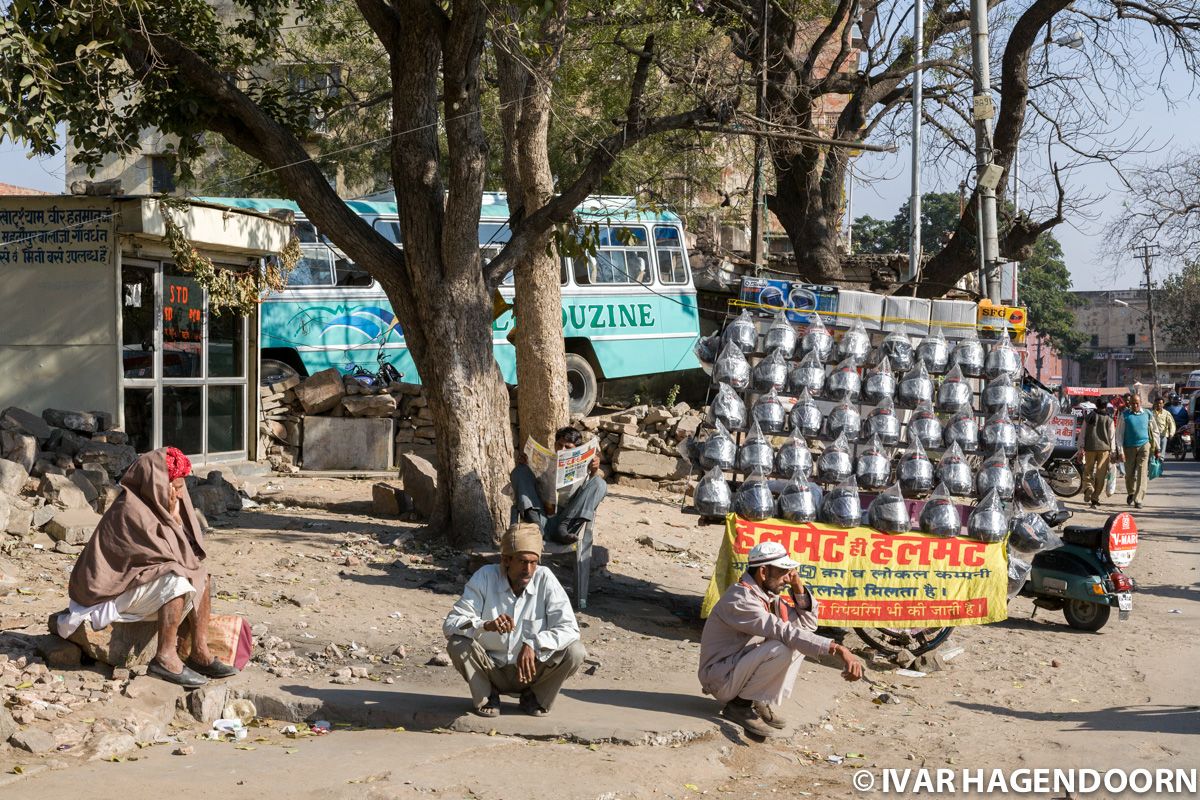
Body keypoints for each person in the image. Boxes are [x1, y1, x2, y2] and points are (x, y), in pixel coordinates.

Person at [57, 447, 237, 688]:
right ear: (155, 484)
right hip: (106, 596)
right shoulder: (129, 511)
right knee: (176, 579)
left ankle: (199, 652)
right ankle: (165, 658)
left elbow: (191, 560)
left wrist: (175, 519)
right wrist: (173, 522)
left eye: (180, 486)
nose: (178, 492)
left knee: (201, 578)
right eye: (173, 485)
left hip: (136, 585)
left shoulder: (161, 508)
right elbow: (172, 561)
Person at [698, 542, 863, 739]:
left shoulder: (767, 596)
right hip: (719, 678)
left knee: (800, 642)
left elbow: (807, 625)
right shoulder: (742, 599)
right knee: (781, 647)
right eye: (784, 572)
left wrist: (797, 585)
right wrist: (838, 649)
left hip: (734, 669)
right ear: (763, 572)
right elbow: (785, 632)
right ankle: (740, 706)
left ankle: (755, 697)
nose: (787, 578)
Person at [443, 522, 586, 717]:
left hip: (531, 670)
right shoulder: (485, 577)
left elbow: (569, 629)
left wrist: (534, 644)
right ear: (506, 560)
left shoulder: (545, 579)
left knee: (575, 651)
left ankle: (535, 697)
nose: (528, 569)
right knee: (457, 643)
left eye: (534, 562)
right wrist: (485, 625)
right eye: (522, 561)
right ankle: (488, 695)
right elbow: (451, 624)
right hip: (491, 668)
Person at [511, 426, 606, 544]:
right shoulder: (548, 461)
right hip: (541, 518)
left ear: (577, 449)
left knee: (599, 483)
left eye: (568, 447)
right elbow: (530, 487)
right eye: (559, 445)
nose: (562, 449)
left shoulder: (587, 465)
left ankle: (562, 529)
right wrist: (525, 465)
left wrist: (594, 471)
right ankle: (536, 527)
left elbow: (594, 486)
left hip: (566, 523)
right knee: (520, 471)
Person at [1116, 394, 1157, 509]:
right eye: (1133, 403)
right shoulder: (1125, 415)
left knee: (1142, 472)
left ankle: (1138, 499)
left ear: (1141, 402)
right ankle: (1131, 493)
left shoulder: (1148, 414)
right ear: (1129, 403)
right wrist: (1120, 451)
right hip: (1129, 448)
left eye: (1137, 403)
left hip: (1144, 445)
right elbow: (1119, 434)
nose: (1135, 405)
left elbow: (1155, 431)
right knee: (1129, 474)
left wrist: (1157, 447)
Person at [1077, 400, 1117, 509]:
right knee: (1101, 474)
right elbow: (1111, 436)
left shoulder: (1089, 417)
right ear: (1105, 406)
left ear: (1096, 405)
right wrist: (1113, 451)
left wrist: (1081, 447)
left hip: (1090, 448)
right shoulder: (1109, 419)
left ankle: (1089, 487)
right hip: (1104, 450)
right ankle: (1095, 498)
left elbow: (1082, 433)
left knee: (1088, 470)